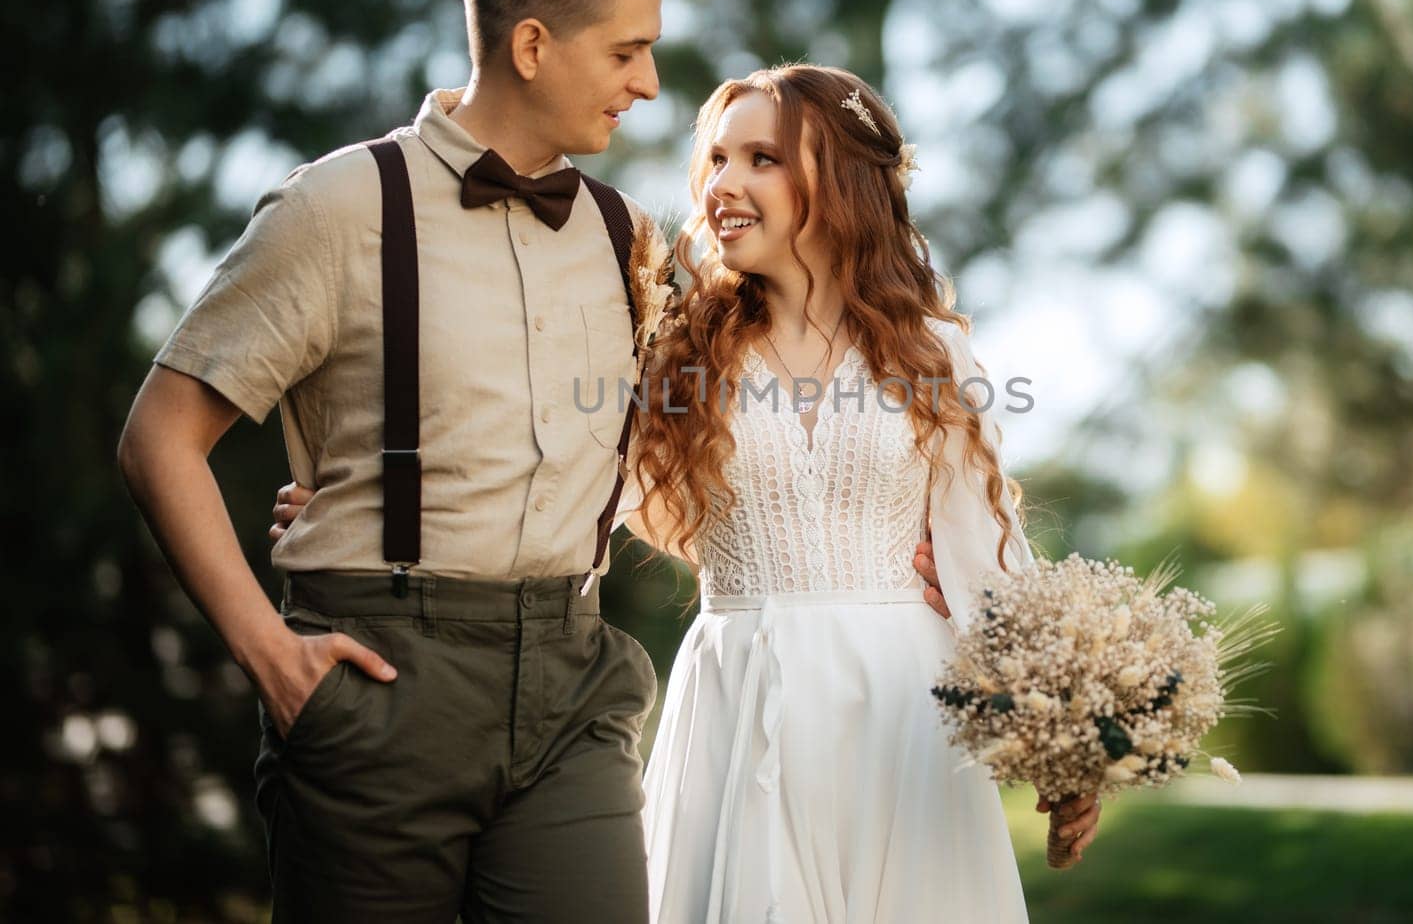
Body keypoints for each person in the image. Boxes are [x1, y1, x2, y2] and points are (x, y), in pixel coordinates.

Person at [271, 65, 1107, 922]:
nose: (724, 184)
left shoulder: (930, 355)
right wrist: (371, 506)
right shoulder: (676, 352)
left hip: (902, 706)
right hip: (738, 699)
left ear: (846, 184)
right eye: (715, 158)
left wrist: (1065, 745)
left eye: (762, 159)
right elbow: (558, 476)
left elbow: (988, 553)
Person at [119, 0, 672, 922]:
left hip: (573, 685)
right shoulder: (337, 206)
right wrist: (273, 658)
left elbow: (696, 431)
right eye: (628, 52)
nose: (649, 83)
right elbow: (160, 436)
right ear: (533, 44)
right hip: (380, 684)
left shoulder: (627, 237)